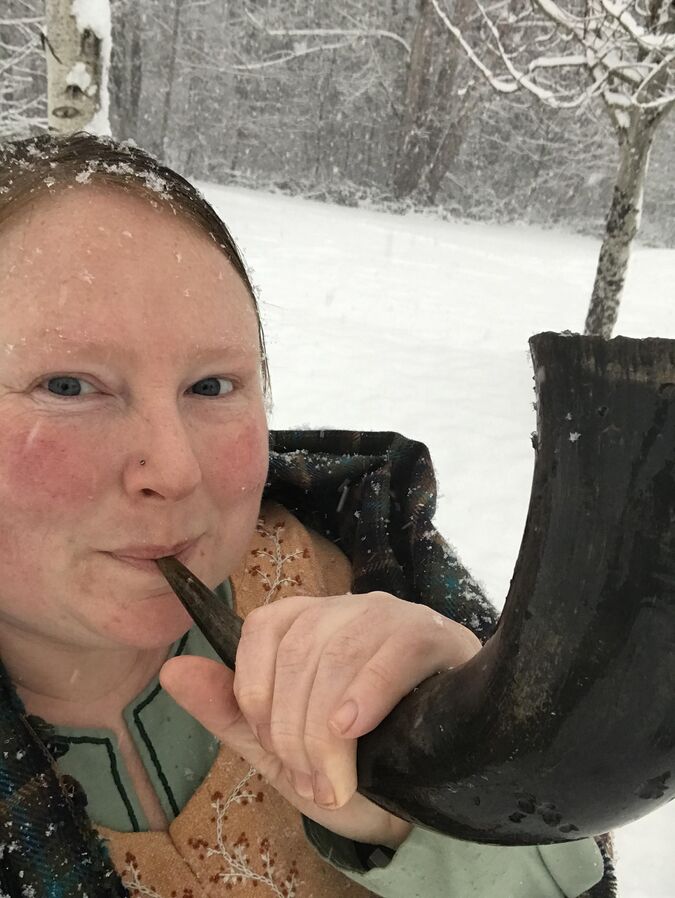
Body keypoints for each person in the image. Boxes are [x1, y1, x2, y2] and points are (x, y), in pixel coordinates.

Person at [0, 133, 612, 898]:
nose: (176, 469)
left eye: (212, 386)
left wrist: (460, 806)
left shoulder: (366, 569)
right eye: (66, 386)